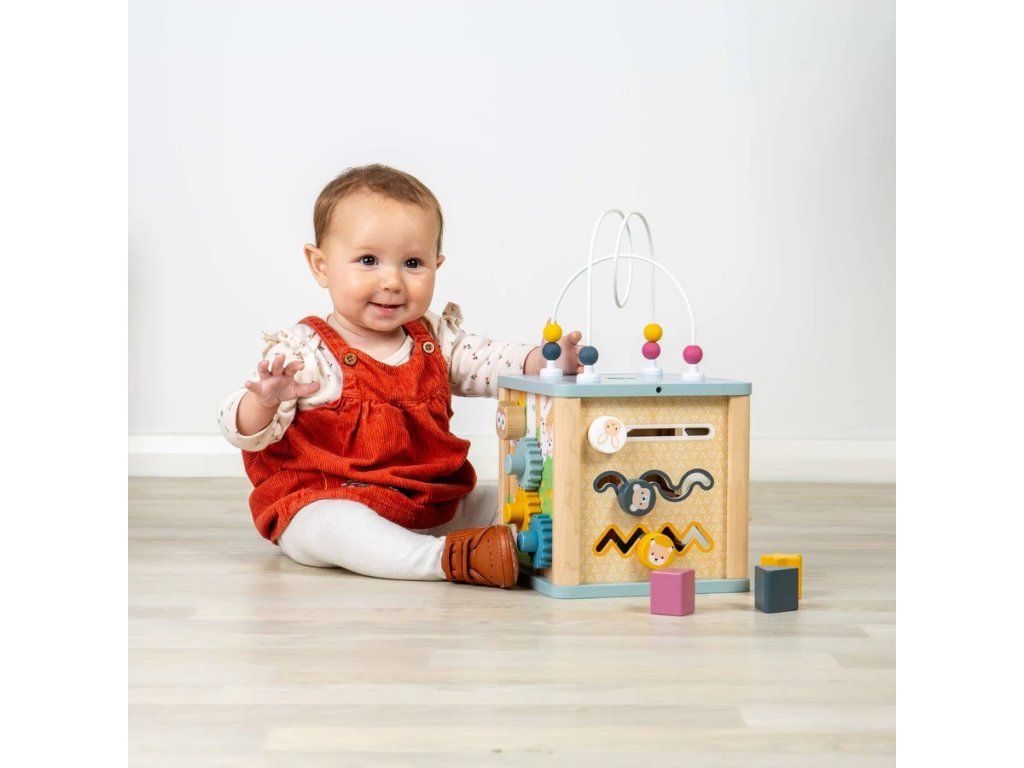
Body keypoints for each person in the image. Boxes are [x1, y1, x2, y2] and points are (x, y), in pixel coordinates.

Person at [218, 164, 582, 587]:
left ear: (436, 266)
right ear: (321, 266)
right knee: (328, 524)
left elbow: (489, 361)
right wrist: (263, 401)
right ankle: (443, 559)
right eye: (368, 260)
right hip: (331, 497)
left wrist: (542, 359)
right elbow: (238, 429)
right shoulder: (303, 354)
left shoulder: (435, 339)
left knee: (510, 497)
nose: (392, 281)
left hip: (430, 501)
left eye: (412, 263)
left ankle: (518, 547)